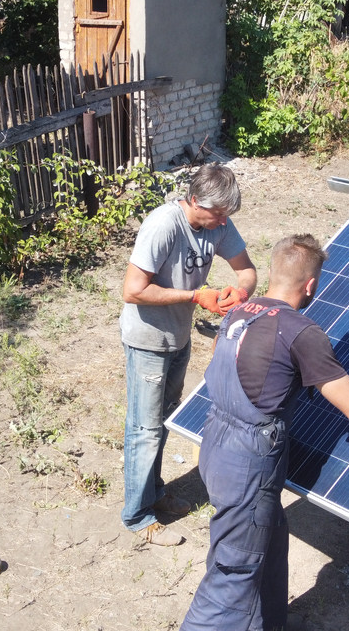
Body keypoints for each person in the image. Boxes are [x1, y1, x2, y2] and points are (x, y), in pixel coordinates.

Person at [180, 234, 349, 631]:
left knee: (270, 541)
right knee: (234, 571)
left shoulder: (238, 314)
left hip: (216, 444)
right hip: (248, 462)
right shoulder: (301, 331)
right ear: (310, 284)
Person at [121, 164, 258, 546]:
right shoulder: (163, 225)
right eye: (216, 215)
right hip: (148, 340)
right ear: (194, 200)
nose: (221, 224)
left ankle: (154, 493)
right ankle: (137, 516)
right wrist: (195, 296)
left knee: (163, 421)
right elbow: (132, 290)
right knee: (144, 429)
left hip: (178, 338)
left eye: (226, 217)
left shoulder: (219, 223)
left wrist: (240, 291)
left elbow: (246, 269)